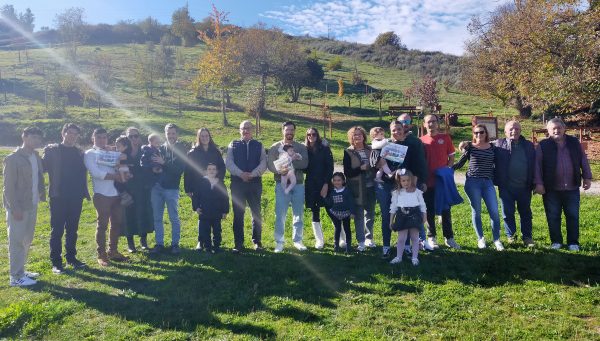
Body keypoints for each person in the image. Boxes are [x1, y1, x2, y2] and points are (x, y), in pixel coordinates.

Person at [534, 118, 592, 251]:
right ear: (548, 131)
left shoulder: (574, 142)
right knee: (553, 216)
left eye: (559, 128)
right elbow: (537, 166)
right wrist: (539, 183)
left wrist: (587, 177)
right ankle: (556, 241)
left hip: (572, 187)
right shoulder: (543, 145)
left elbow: (583, 159)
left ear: (564, 128)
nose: (556, 130)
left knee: (572, 215)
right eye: (553, 128)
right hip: (551, 189)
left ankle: (573, 242)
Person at [373, 120, 429, 259]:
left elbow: (417, 167)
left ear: (403, 130)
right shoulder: (384, 144)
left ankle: (407, 247)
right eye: (393, 130)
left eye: (399, 129)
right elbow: (374, 159)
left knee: (406, 215)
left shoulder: (411, 145)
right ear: (390, 131)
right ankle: (386, 247)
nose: (396, 132)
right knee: (387, 215)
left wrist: (414, 185)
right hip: (386, 185)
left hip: (404, 186)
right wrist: (377, 161)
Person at [42, 123, 90, 275]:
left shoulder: (79, 152)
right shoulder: (52, 151)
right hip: (58, 196)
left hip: (76, 197)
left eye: (75, 134)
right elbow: (41, 168)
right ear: (63, 133)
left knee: (72, 229)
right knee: (57, 230)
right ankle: (56, 262)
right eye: (69, 133)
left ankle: (71, 258)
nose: (72, 136)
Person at [3, 127, 45, 286]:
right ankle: (15, 277)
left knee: (27, 239)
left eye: (38, 138)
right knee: (16, 241)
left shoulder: (35, 155)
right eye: (33, 137)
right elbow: (8, 187)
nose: (36, 141)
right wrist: (15, 208)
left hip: (32, 204)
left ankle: (21, 270)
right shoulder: (13, 158)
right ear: (24, 137)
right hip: (18, 207)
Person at [453, 124, 504, 251]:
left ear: (486, 133)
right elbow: (460, 163)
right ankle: (480, 238)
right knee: (477, 211)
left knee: (494, 212)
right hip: (472, 183)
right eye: (476, 133)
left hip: (488, 183)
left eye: (481, 132)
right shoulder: (470, 147)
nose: (478, 135)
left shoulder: (492, 147)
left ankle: (497, 239)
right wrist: (447, 169)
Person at [84, 128, 128, 266]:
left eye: (104, 137)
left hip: (116, 193)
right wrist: (115, 177)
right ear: (93, 138)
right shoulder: (90, 153)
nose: (102, 140)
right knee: (102, 225)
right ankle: (101, 254)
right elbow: (96, 172)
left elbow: (119, 165)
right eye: (99, 137)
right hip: (102, 194)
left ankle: (113, 251)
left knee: (117, 223)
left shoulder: (112, 152)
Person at [225, 121, 267, 253]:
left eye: (248, 128)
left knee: (256, 214)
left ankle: (257, 242)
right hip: (237, 184)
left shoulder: (259, 145)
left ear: (252, 130)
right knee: (238, 214)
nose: (245, 131)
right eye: (243, 129)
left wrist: (252, 174)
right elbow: (229, 163)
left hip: (254, 184)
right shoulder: (233, 144)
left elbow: (263, 163)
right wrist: (240, 174)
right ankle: (238, 243)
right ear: (239, 130)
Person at [419, 114, 460, 249]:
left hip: (442, 181)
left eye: (433, 121)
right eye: (428, 122)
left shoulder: (445, 138)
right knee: (429, 210)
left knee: (445, 210)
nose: (431, 124)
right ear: (424, 124)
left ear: (438, 123)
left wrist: (447, 171)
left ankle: (449, 238)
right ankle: (432, 238)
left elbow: (451, 157)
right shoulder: (421, 141)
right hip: (428, 181)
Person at [267, 121, 309, 253]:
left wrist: (288, 165)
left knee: (298, 213)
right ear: (283, 131)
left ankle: (298, 240)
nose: (289, 132)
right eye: (287, 130)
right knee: (280, 214)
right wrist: (280, 170)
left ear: (294, 131)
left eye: (292, 130)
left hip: (299, 184)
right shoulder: (275, 147)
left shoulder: (301, 147)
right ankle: (279, 242)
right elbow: (270, 165)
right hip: (281, 184)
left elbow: (304, 163)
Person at [494, 120, 536, 247]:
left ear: (520, 131)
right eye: (511, 129)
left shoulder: (528, 145)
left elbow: (535, 164)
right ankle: (510, 236)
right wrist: (467, 144)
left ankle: (527, 237)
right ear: (505, 131)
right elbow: (481, 145)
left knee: (526, 213)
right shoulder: (498, 144)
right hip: (506, 187)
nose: (514, 131)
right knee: (508, 213)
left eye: (517, 129)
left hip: (524, 186)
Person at [149, 123, 186, 255]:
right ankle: (159, 244)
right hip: (157, 188)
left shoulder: (182, 149)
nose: (171, 136)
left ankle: (175, 244)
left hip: (172, 188)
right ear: (165, 134)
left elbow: (179, 170)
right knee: (157, 218)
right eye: (168, 133)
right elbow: (153, 165)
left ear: (177, 134)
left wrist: (164, 163)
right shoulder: (160, 148)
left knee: (173, 218)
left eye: (173, 133)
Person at [343, 126, 376, 252]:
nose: (357, 136)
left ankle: (369, 238)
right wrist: (360, 169)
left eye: (359, 134)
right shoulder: (348, 152)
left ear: (364, 136)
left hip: (371, 187)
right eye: (354, 135)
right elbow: (347, 172)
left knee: (370, 214)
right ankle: (361, 241)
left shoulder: (371, 149)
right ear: (351, 137)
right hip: (356, 188)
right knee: (358, 215)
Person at [123, 127, 153, 253]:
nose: (134, 138)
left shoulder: (144, 150)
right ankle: (130, 243)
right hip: (127, 187)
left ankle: (143, 241)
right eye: (131, 136)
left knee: (142, 212)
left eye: (136, 136)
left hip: (142, 187)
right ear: (127, 137)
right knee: (128, 214)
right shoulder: (123, 151)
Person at [389, 169, 426, 266]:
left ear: (412, 180)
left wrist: (424, 216)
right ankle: (398, 257)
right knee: (401, 238)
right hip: (402, 215)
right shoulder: (396, 193)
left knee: (414, 238)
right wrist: (391, 221)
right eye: (403, 181)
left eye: (408, 180)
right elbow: (393, 208)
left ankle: (414, 258)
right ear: (399, 181)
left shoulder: (417, 192)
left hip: (415, 215)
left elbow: (422, 205)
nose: (406, 183)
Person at [304, 127, 333, 249]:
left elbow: (330, 167)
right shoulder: (305, 150)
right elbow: (304, 168)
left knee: (331, 210)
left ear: (318, 135)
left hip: (324, 183)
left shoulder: (324, 149)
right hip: (311, 185)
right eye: (309, 134)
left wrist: (326, 184)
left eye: (314, 134)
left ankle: (341, 237)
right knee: (315, 212)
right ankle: (319, 240)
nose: (311, 136)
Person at [192, 163, 229, 253]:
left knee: (217, 230)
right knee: (205, 230)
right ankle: (207, 246)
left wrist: (225, 211)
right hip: (204, 211)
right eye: (209, 169)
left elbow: (225, 198)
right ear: (205, 171)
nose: (211, 171)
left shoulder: (220, 183)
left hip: (217, 211)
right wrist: (196, 207)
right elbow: (196, 196)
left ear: (216, 171)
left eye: (213, 169)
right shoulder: (201, 182)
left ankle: (216, 246)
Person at [322, 172, 355, 253]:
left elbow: (351, 202)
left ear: (343, 181)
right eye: (335, 180)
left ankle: (348, 247)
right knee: (338, 228)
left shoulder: (347, 191)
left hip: (346, 213)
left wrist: (352, 212)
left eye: (339, 180)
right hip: (335, 213)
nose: (337, 182)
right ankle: (336, 246)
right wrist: (324, 197)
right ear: (332, 181)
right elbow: (330, 202)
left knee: (347, 229)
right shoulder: (332, 191)